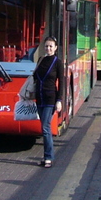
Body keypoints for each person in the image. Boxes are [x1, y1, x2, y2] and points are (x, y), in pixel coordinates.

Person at [33, 36, 64, 168]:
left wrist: (59, 100)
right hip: (39, 98)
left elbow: (62, 82)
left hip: (51, 98)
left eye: (51, 46)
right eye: (46, 46)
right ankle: (46, 156)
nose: (48, 48)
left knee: (45, 127)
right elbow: (35, 77)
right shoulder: (41, 60)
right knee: (43, 127)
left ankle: (49, 158)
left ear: (55, 48)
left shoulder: (58, 62)